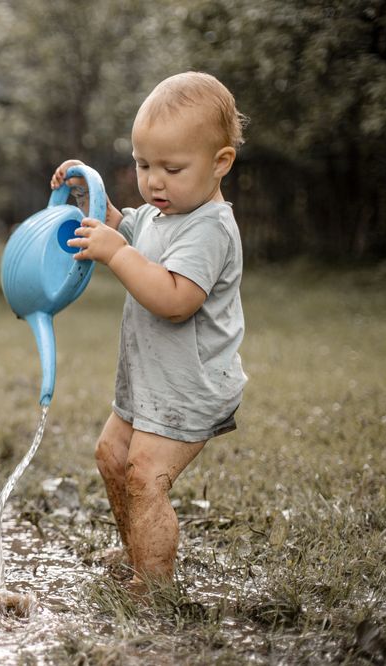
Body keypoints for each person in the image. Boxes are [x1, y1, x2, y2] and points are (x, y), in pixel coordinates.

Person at [51, 71, 248, 591]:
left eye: (172, 168)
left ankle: (154, 588)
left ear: (220, 162)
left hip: (190, 388)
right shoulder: (162, 215)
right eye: (142, 165)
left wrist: (117, 254)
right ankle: (138, 548)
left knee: (144, 476)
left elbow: (175, 301)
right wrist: (86, 193)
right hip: (148, 382)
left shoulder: (209, 228)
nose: (154, 181)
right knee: (111, 457)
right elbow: (120, 226)